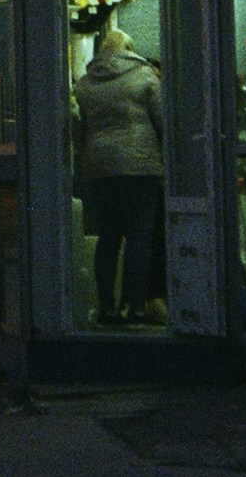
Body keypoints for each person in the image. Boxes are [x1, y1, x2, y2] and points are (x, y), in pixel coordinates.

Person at [72, 19, 166, 327]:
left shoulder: (85, 83)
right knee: (139, 238)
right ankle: (136, 307)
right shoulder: (145, 77)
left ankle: (106, 308)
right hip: (140, 167)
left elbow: (78, 127)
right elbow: (162, 120)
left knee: (108, 238)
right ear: (129, 49)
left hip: (100, 169)